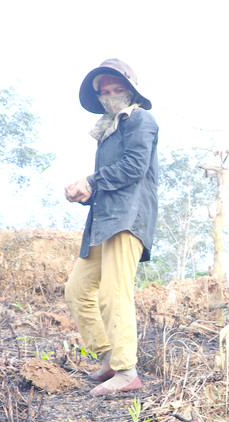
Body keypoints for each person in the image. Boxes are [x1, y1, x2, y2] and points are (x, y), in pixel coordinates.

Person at [64, 59, 159, 397]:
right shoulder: (108, 131)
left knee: (114, 292)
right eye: (105, 92)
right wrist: (85, 192)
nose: (111, 96)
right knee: (77, 289)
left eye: (117, 89)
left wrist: (91, 181)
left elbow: (134, 167)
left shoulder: (140, 120)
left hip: (128, 218)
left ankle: (126, 371)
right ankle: (107, 357)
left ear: (131, 91)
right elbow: (111, 179)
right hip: (103, 220)